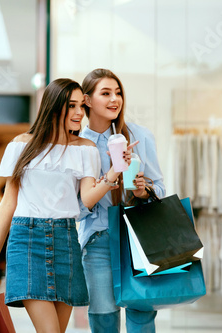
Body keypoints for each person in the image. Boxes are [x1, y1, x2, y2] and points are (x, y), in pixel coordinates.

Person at [0, 78, 135, 333]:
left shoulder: (86, 149)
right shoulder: (21, 144)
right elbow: (9, 202)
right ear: (53, 107)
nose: (78, 113)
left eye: (80, 107)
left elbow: (86, 199)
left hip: (66, 241)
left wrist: (115, 172)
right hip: (26, 241)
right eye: (70, 105)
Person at [78, 68, 166, 333]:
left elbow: (160, 188)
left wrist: (142, 191)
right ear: (87, 100)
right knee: (103, 317)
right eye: (105, 93)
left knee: (142, 313)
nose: (115, 99)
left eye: (118, 93)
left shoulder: (139, 136)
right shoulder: (79, 145)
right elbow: (78, 208)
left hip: (137, 238)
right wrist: (109, 176)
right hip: (98, 240)